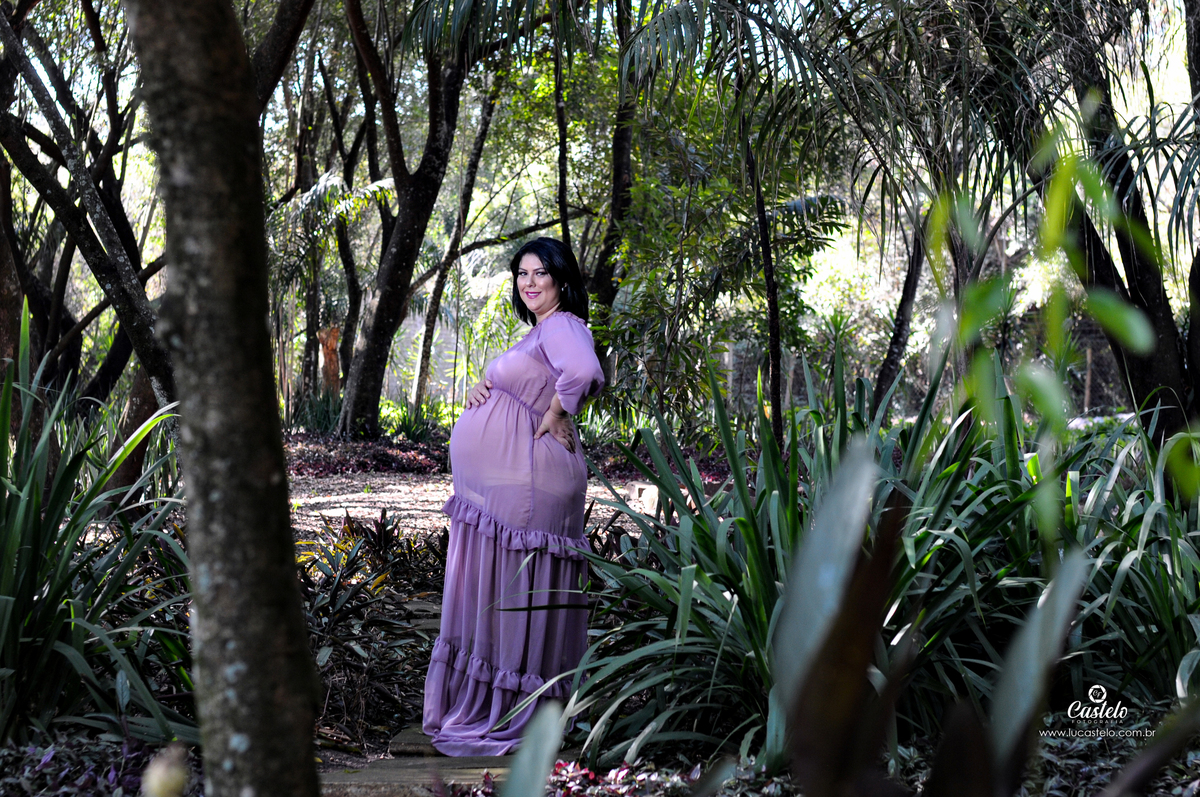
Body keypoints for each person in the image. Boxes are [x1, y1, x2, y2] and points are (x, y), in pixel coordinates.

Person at [422, 237, 605, 755]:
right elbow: (534, 381)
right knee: (505, 593)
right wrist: (487, 387)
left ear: (561, 279)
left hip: (528, 485)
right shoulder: (542, 331)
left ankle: (512, 709)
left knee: (516, 593)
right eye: (521, 273)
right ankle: (502, 703)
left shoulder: (563, 324)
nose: (529, 282)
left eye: (539, 272)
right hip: (508, 490)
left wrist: (556, 411)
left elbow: (585, 372)